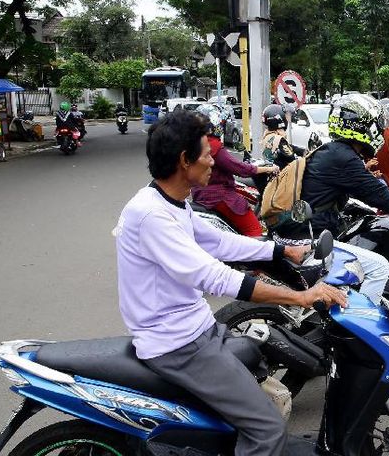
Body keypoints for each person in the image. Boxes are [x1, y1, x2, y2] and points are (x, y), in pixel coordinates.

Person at [114, 108, 347, 456]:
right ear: (184, 160)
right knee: (268, 429)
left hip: (196, 329)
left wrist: (283, 250)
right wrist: (300, 297)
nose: (213, 161)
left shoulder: (169, 202)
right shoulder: (151, 214)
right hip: (178, 345)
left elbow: (219, 242)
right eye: (207, 154)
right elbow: (213, 275)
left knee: (261, 358)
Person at [271, 94, 389, 302]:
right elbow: (379, 195)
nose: (379, 131)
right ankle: (361, 320)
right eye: (376, 125)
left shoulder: (332, 151)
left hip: (294, 234)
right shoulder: (343, 157)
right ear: (363, 127)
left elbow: (354, 190)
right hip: (308, 242)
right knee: (379, 267)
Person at [192, 104, 278, 237]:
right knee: (254, 229)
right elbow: (238, 168)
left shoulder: (196, 144)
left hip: (201, 194)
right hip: (218, 195)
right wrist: (266, 169)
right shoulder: (213, 145)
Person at [260, 103, 308, 170]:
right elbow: (291, 158)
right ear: (280, 119)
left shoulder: (268, 136)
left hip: (272, 171)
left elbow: (287, 147)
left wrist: (302, 151)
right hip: (281, 173)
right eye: (285, 117)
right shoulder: (279, 139)